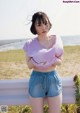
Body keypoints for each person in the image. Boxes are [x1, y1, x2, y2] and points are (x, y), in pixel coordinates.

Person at [23, 11, 63, 113]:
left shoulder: (56, 40)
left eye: (45, 23)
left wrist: (51, 60)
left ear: (49, 23)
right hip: (37, 79)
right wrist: (38, 60)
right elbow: (29, 65)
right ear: (34, 27)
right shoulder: (29, 44)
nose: (43, 27)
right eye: (39, 25)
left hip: (53, 78)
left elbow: (60, 62)